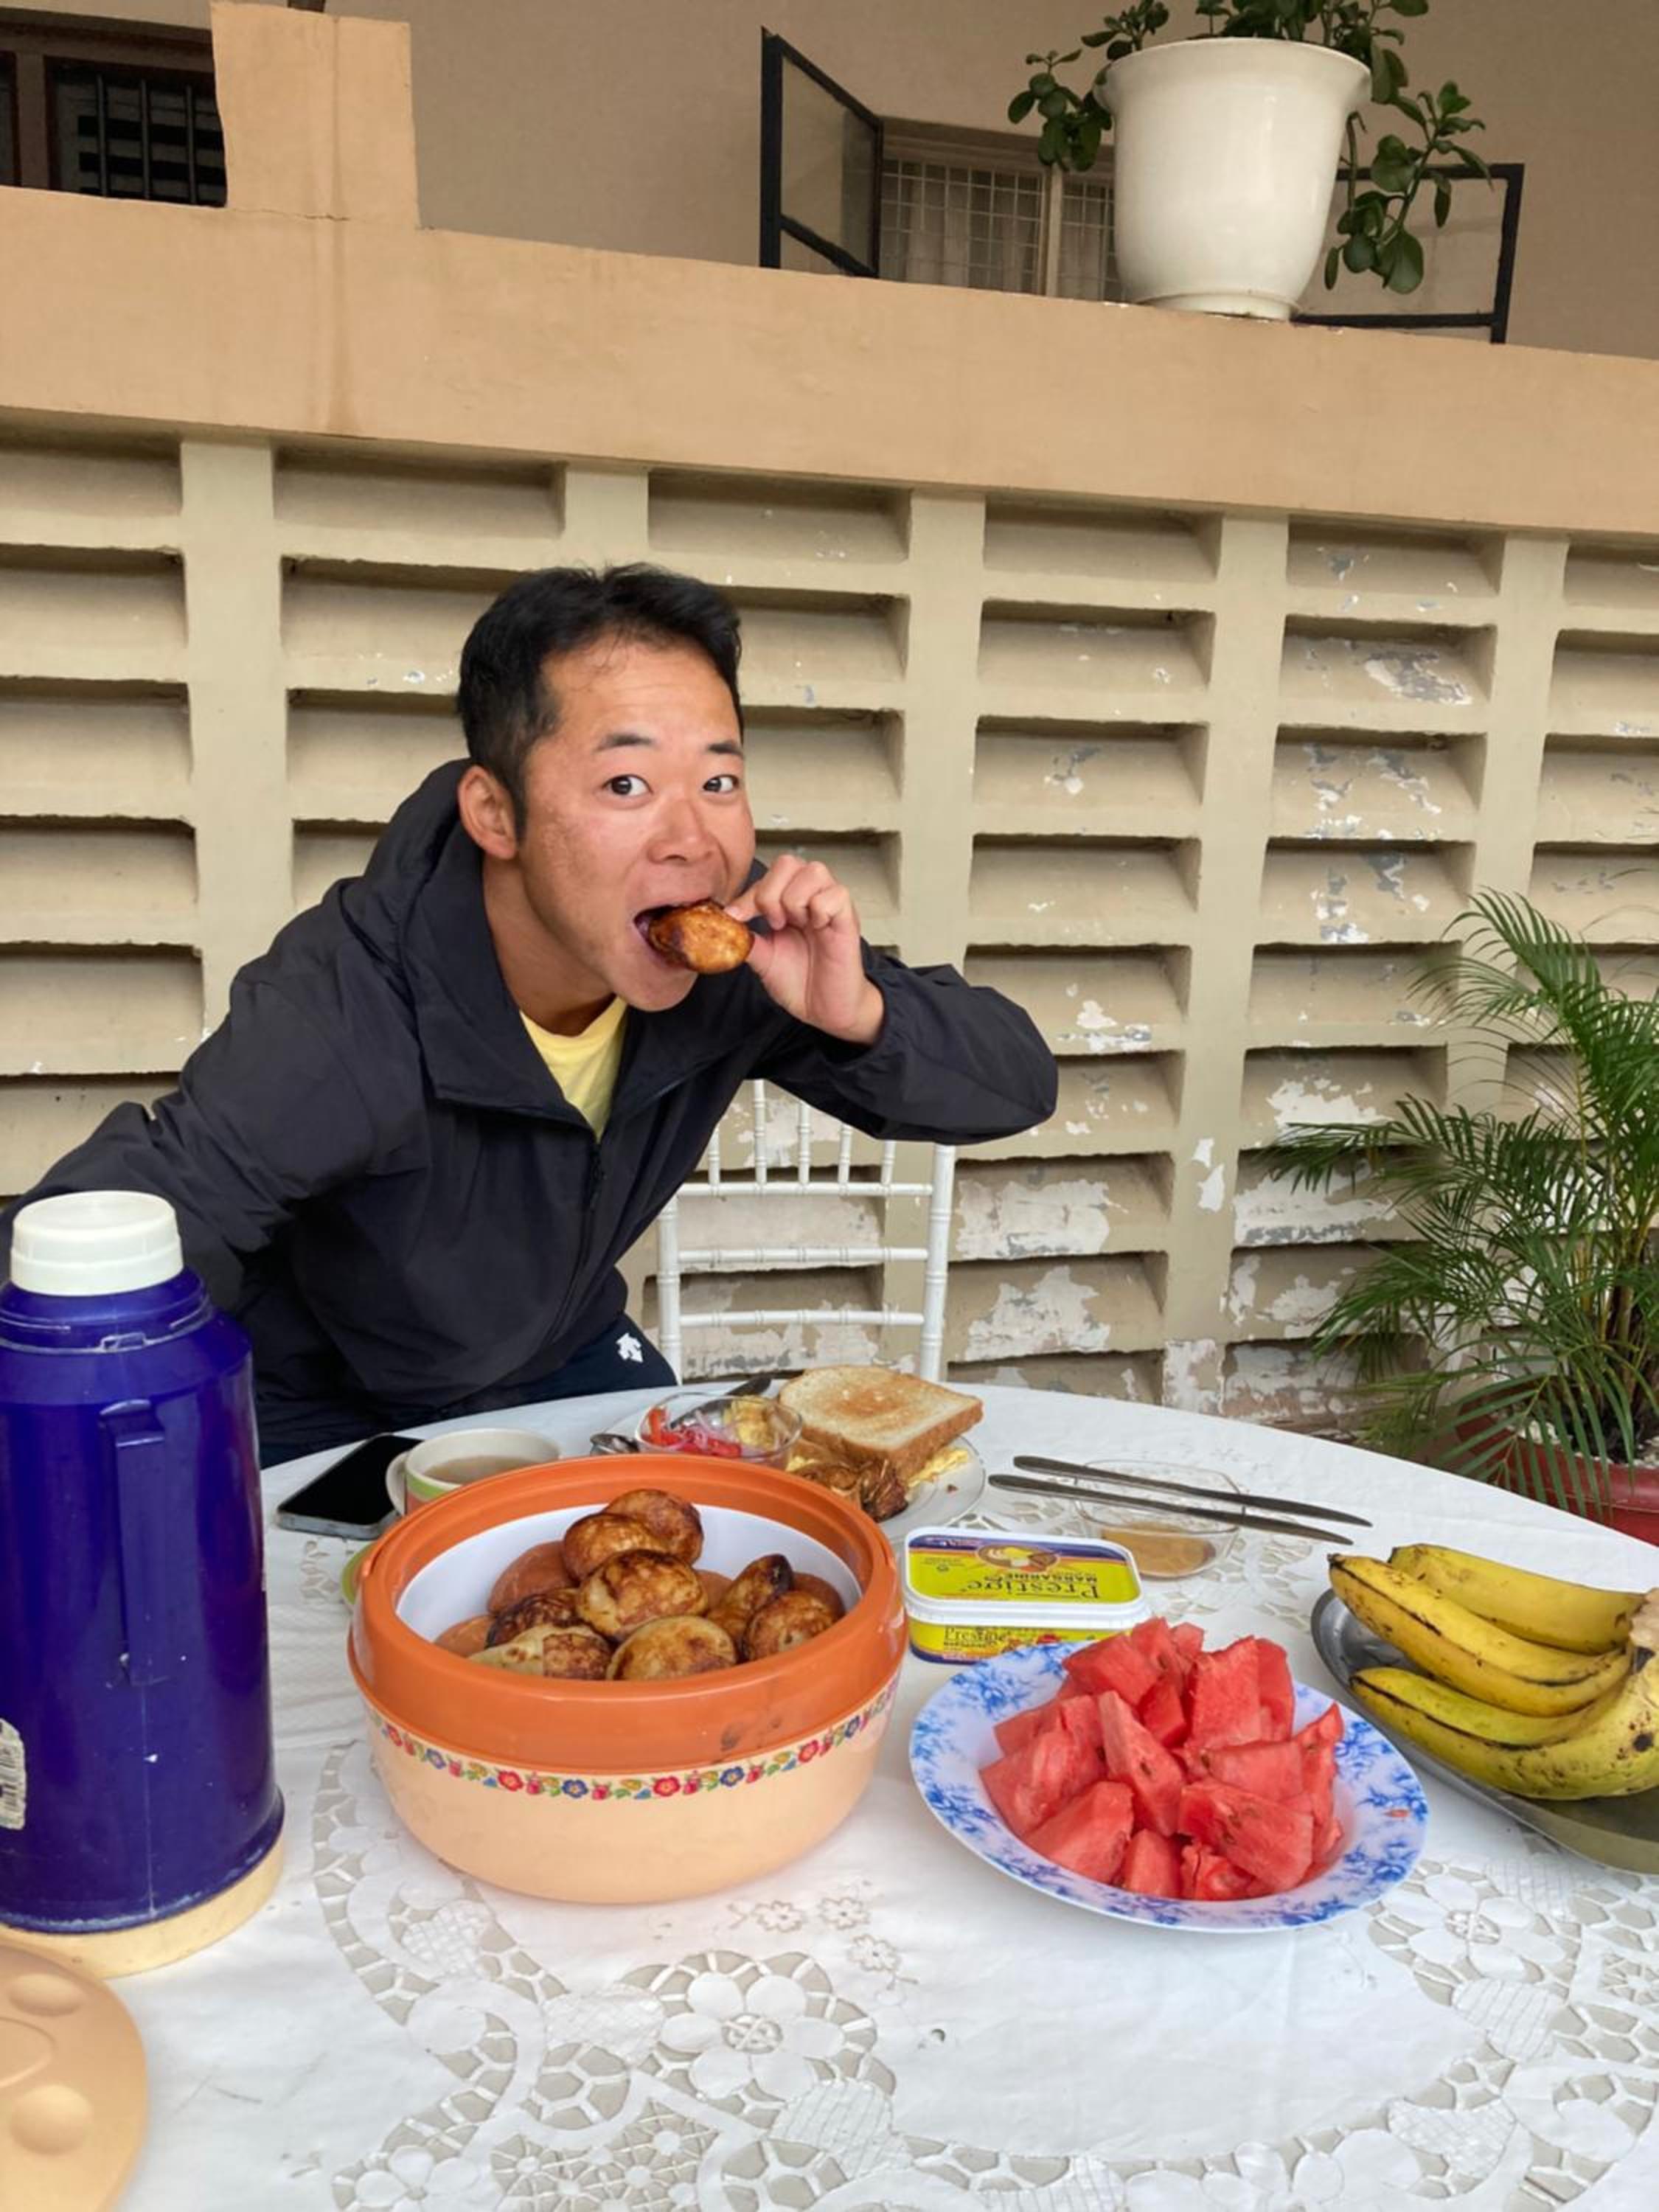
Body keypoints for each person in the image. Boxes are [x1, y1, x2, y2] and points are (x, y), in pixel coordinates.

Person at [0, 566, 1057, 1464]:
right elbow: (114, 1244)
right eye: (627, 784)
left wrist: (858, 1011)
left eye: (720, 781)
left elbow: (1014, 1086)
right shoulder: (350, 1002)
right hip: (324, 1402)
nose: (693, 840)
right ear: (494, 813)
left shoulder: (741, 958)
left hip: (563, 1355)